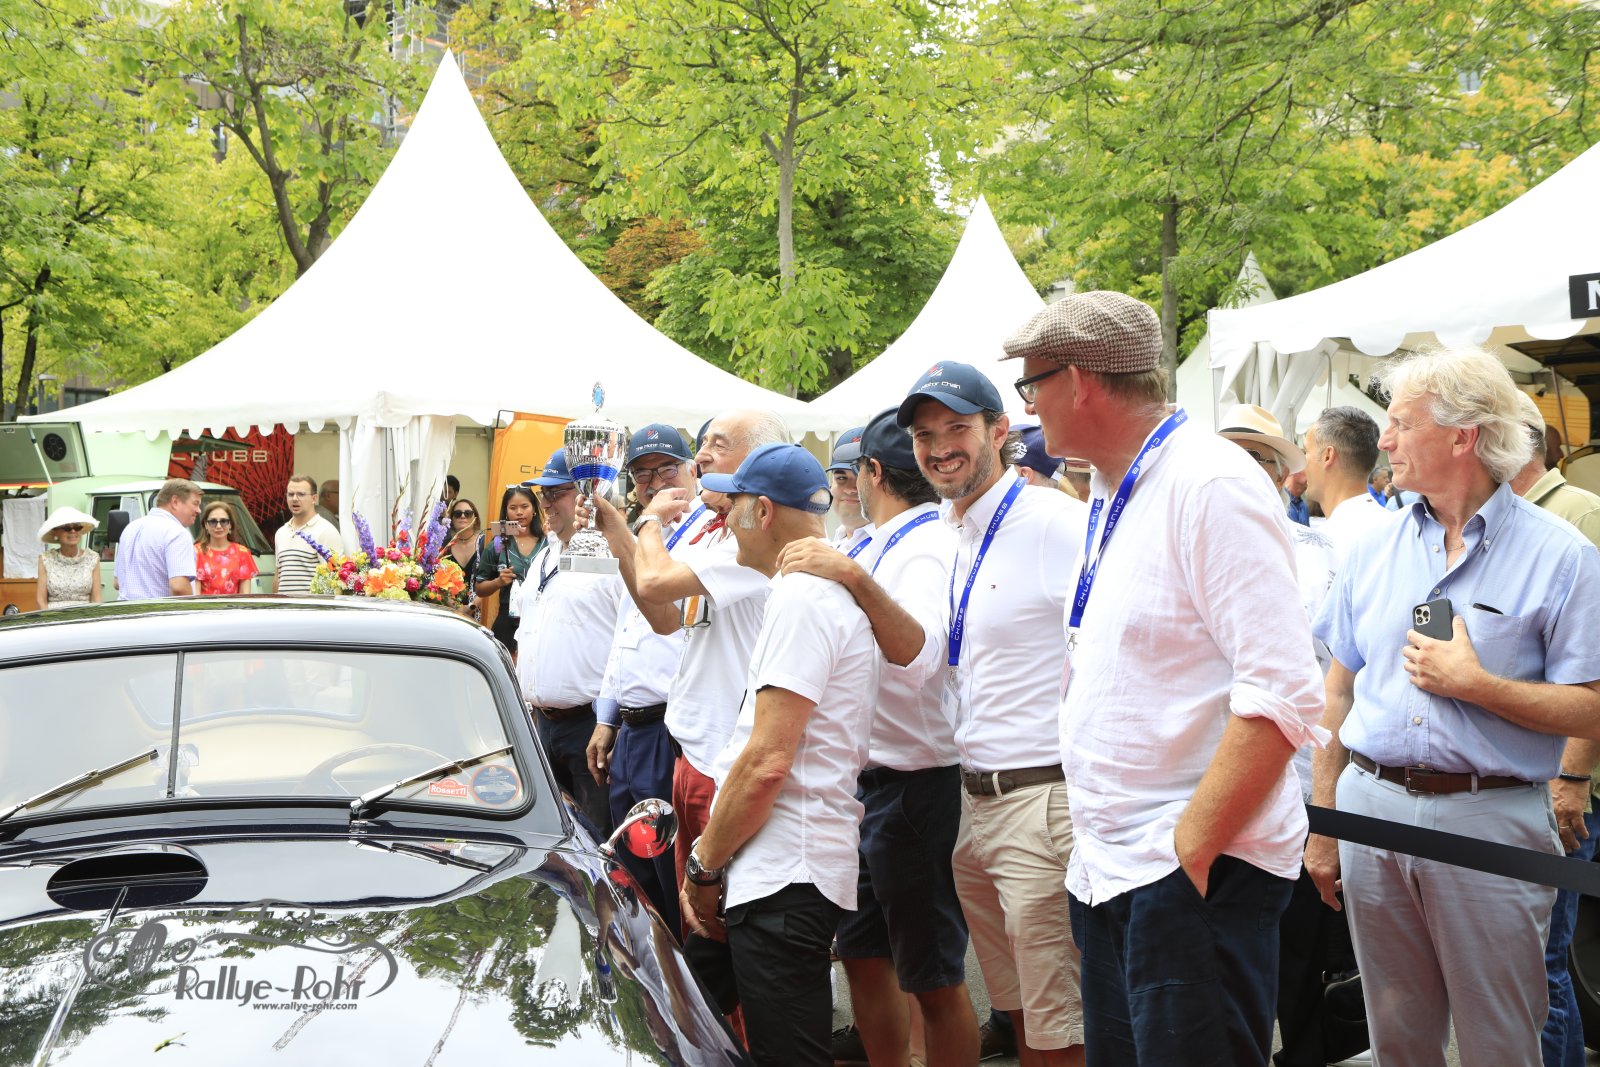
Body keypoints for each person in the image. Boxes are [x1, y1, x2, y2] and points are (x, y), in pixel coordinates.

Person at [1010, 290, 1324, 1067]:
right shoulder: (1114, 484)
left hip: (1184, 873)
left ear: (1077, 381)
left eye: (1031, 384)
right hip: (1118, 868)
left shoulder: (1209, 483)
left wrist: (1190, 850)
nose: (1027, 406)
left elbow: (1282, 691)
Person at [1305, 346, 1600, 1067]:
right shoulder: (1373, 546)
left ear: (1463, 435)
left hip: (1490, 818)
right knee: (1397, 1040)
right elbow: (1337, 689)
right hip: (1371, 808)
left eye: (1402, 423)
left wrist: (1478, 685)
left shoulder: (1562, 554)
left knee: (1501, 1041)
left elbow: (1593, 710)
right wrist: (1324, 819)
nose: (1385, 440)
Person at [897, 361, 1088, 1066]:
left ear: (1000, 430)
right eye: (924, 435)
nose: (939, 447)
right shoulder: (951, 531)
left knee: (1060, 1026)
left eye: (957, 428)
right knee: (1019, 1013)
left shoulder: (1054, 523)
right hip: (976, 802)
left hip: (1042, 800)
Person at [779, 407, 979, 1067]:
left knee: (932, 974)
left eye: (850, 472)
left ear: (871, 472)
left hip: (914, 781)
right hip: (870, 782)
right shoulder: (875, 540)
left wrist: (851, 577)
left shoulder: (922, 543)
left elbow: (917, 655)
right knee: (864, 955)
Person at [680, 442, 878, 1067]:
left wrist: (703, 866)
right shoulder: (804, 592)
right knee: (697, 1023)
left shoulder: (803, 599)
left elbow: (767, 761)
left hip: (785, 868)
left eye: (732, 505)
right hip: (777, 864)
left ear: (762, 512)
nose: (723, 520)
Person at [1270, 403, 1390, 1067]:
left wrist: (1324, 819)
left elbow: (1332, 684)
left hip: (1328, 781)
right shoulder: (1392, 529)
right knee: (1355, 964)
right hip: (1365, 779)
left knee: (1316, 962)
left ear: (1325, 455)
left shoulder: (1340, 543)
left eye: (1303, 450)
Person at [625, 409, 790, 892]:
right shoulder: (716, 528)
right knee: (687, 907)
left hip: (725, 761)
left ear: (760, 457)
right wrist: (617, 534)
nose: (701, 456)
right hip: (690, 751)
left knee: (716, 907)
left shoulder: (756, 535)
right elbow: (665, 618)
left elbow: (654, 583)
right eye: (704, 444)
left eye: (718, 444)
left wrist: (647, 523)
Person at [1505, 391, 1600, 1067]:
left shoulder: (1578, 515)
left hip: (1565, 784)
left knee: (1544, 962)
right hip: (1527, 783)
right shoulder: (1507, 522)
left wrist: (1572, 776)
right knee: (1534, 960)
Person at [584, 423, 704, 934]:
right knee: (634, 876)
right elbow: (625, 633)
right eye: (642, 474)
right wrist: (607, 717)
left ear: (692, 470)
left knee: (672, 876)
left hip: (673, 728)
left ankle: (684, 977)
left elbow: (665, 621)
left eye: (666, 469)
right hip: (633, 730)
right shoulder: (647, 537)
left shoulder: (704, 535)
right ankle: (651, 971)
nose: (654, 482)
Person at [514, 446, 619, 837]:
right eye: (543, 493)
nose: (545, 503)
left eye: (555, 492)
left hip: (590, 727)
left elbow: (628, 641)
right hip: (543, 724)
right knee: (552, 841)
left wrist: (611, 721)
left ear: (589, 494)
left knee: (596, 839)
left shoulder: (612, 555)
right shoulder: (546, 554)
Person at [473, 484, 545, 654]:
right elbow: (480, 588)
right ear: (506, 511)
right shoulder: (498, 544)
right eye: (513, 508)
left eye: (525, 506)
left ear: (534, 509)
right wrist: (498, 582)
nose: (519, 512)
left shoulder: (548, 542)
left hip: (541, 619)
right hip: (507, 622)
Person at [116, 478, 204, 600]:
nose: (199, 510)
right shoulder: (177, 533)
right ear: (175, 502)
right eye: (195, 503)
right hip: (159, 611)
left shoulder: (130, 528)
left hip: (124, 609)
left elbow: (117, 582)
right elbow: (179, 587)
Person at [274, 475, 339, 594]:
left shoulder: (326, 531)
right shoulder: (281, 533)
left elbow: (334, 578)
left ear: (314, 498)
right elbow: (278, 575)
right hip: (283, 605)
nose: (295, 499)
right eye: (290, 494)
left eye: (301, 494)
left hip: (311, 605)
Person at [35, 507, 101, 610]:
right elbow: (40, 600)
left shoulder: (93, 558)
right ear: (55, 532)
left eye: (77, 527)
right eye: (67, 528)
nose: (73, 531)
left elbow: (96, 599)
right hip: (54, 617)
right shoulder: (45, 559)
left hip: (85, 617)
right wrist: (49, 619)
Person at [827, 425, 874, 556]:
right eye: (841, 478)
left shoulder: (896, 544)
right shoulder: (836, 541)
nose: (850, 489)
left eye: (860, 477)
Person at [194, 500, 259, 595]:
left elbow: (245, 594)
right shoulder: (196, 552)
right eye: (213, 522)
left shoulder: (242, 552)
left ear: (230, 524)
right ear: (206, 525)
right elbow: (195, 594)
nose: (218, 526)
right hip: (204, 605)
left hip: (234, 605)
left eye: (223, 521)